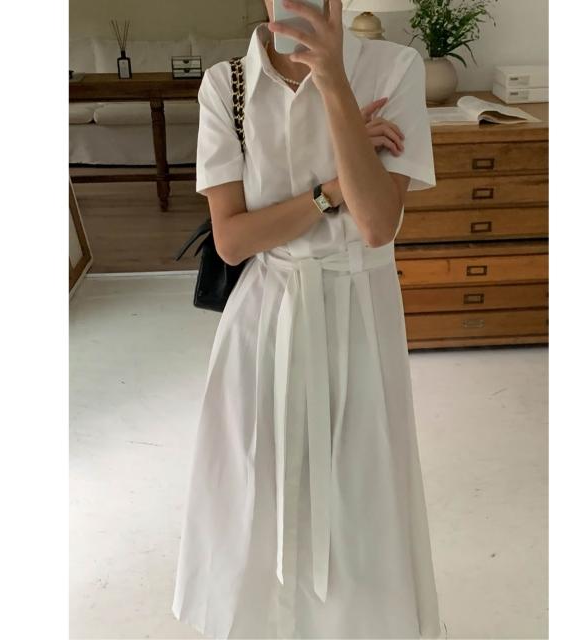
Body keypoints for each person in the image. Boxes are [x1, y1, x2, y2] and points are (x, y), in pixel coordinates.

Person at [172, 0, 442, 637]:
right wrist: (333, 190)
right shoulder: (227, 85)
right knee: (255, 486)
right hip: (266, 313)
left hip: (358, 313)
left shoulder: (394, 68)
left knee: (359, 494)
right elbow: (233, 240)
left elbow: (377, 224)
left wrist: (334, 81)